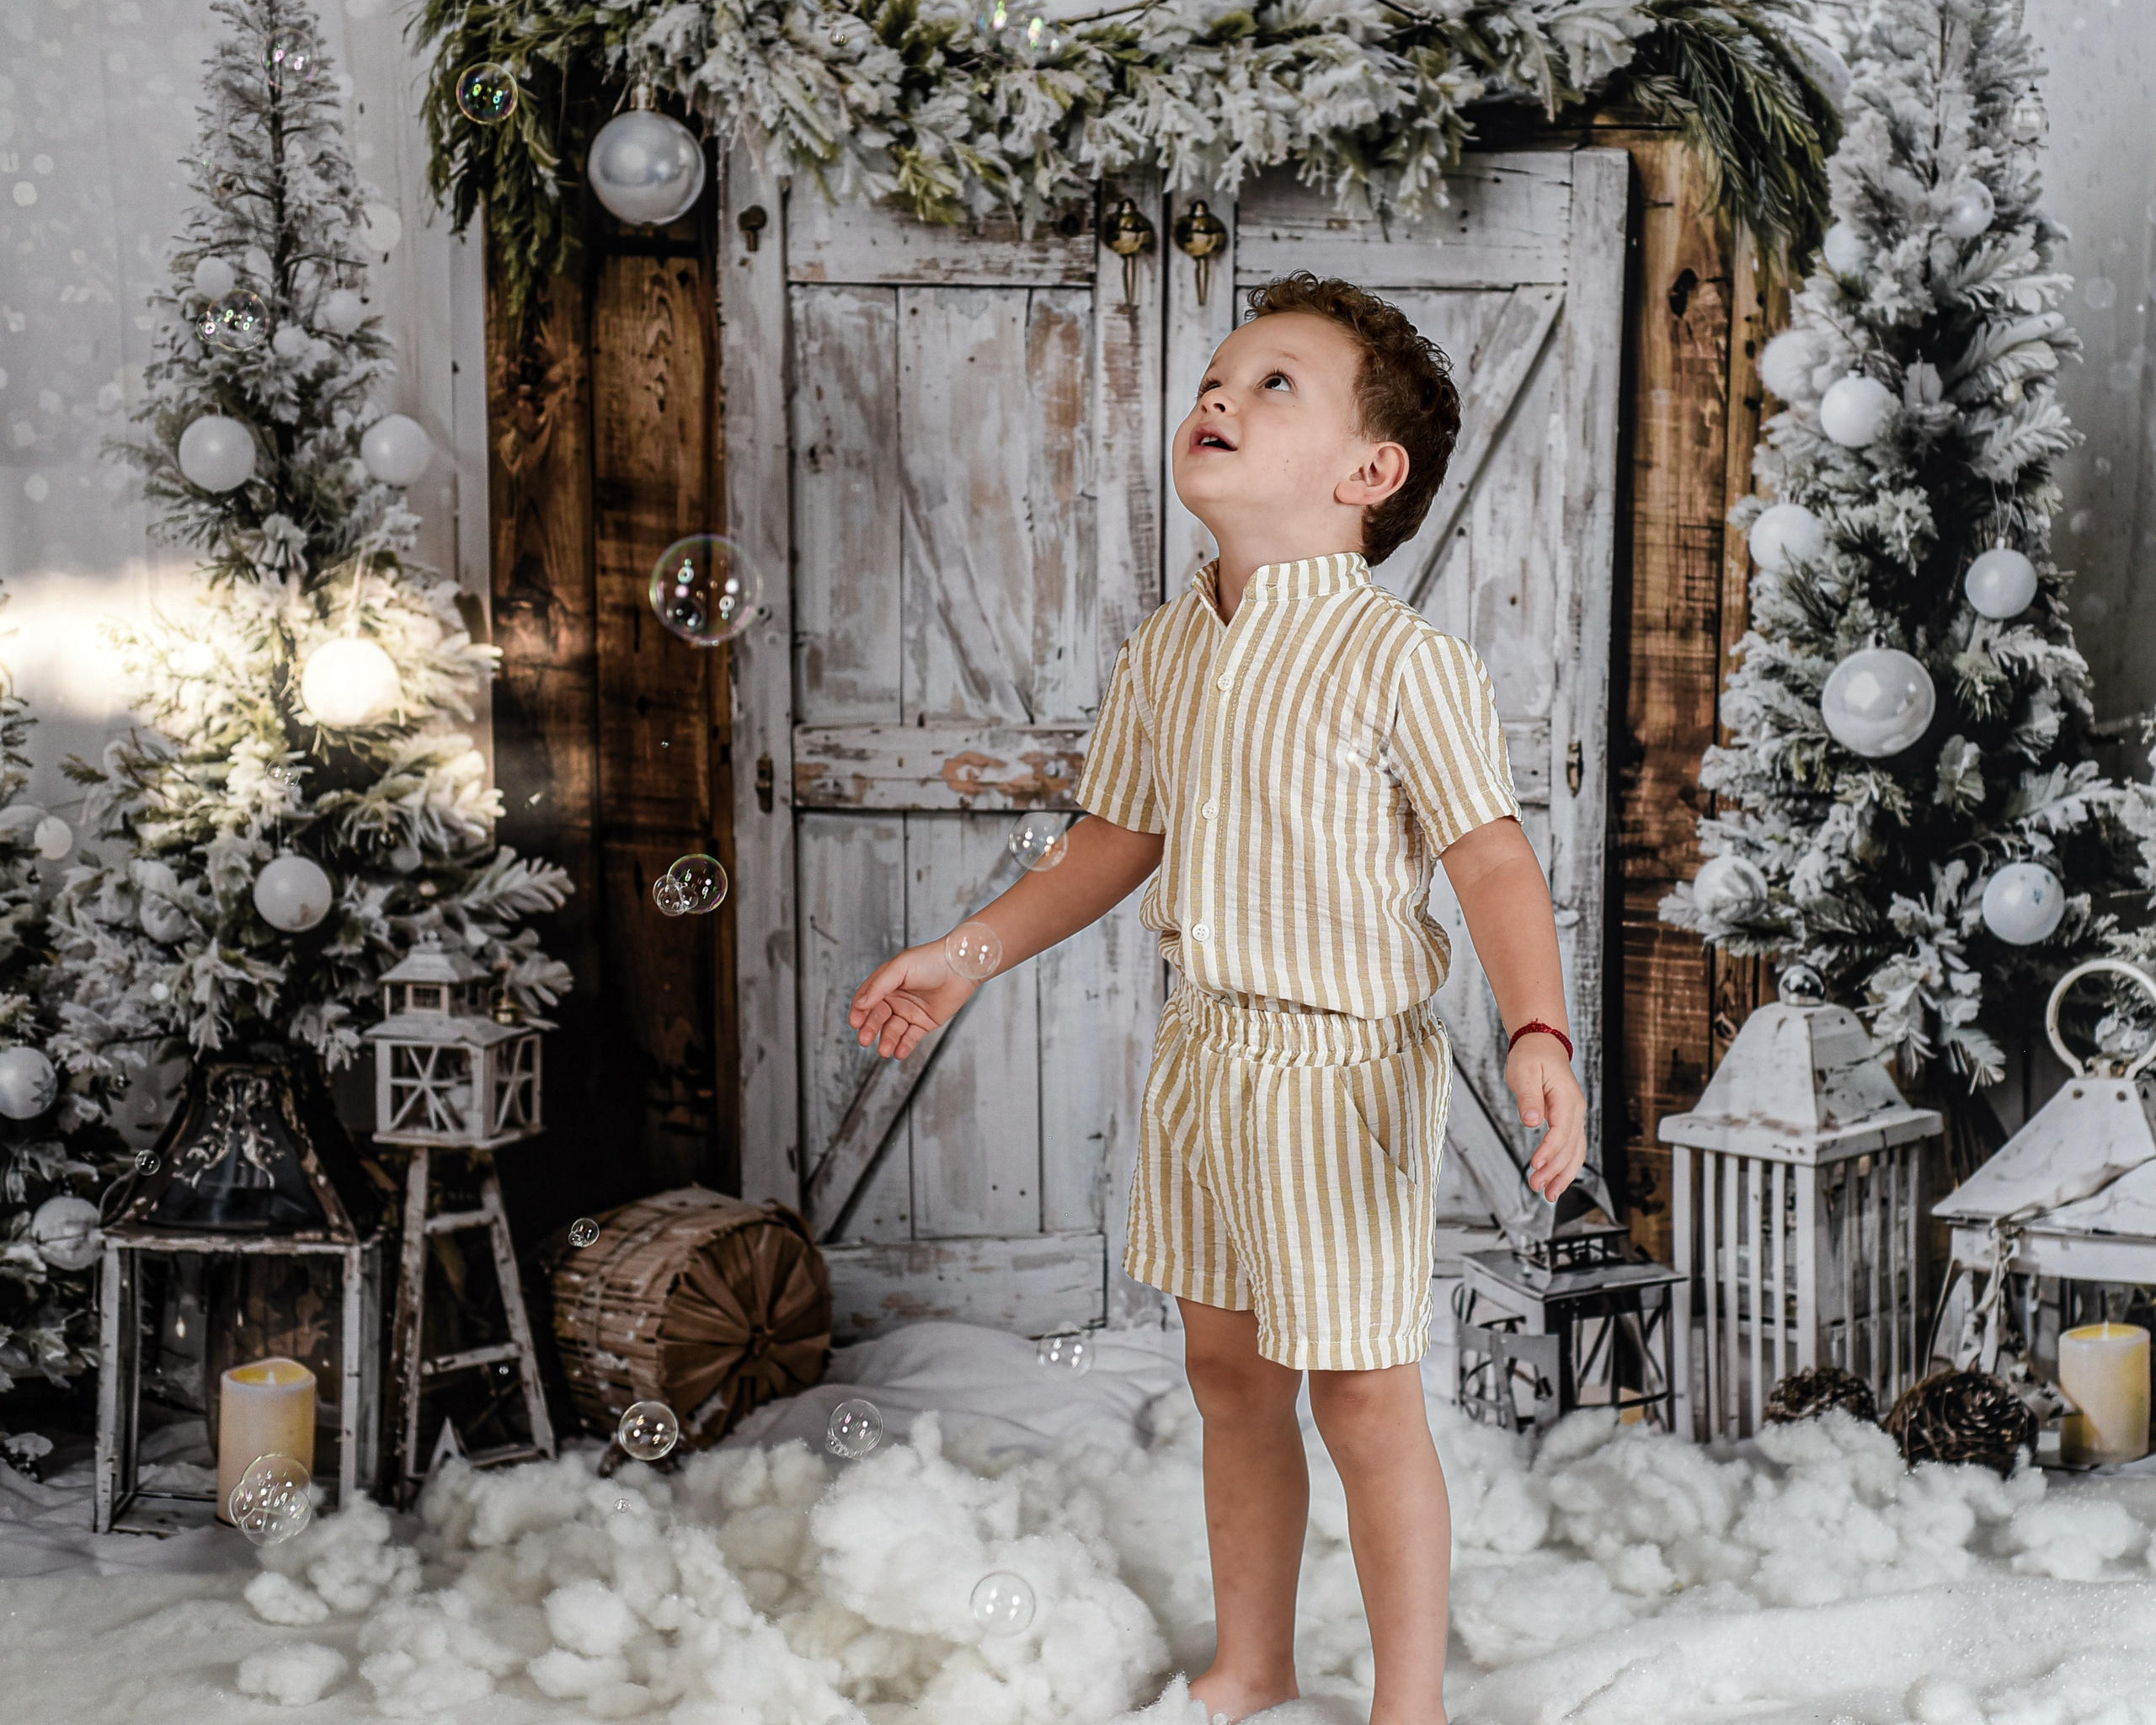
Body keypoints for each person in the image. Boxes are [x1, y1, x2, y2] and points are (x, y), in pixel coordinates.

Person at [848, 273, 1588, 1725]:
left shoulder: (1402, 660)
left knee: (1362, 1394)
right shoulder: (1168, 648)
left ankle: (1412, 1701)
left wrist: (1538, 1030)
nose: (1219, 401)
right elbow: (1114, 842)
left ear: (1367, 476)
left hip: (1337, 1071)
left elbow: (1492, 861)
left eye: (1273, 388)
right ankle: (1253, 1663)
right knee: (1228, 1375)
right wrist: (965, 953)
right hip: (1207, 1058)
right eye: (1214, 380)